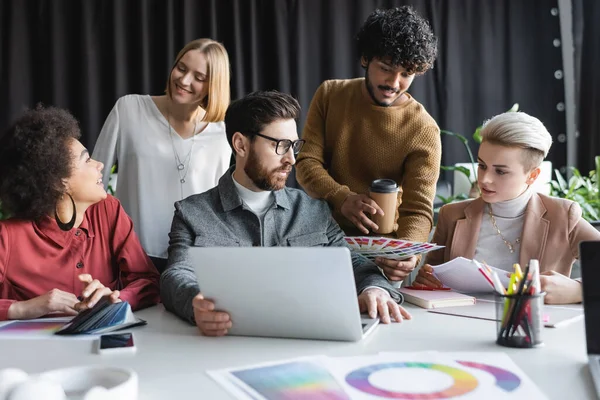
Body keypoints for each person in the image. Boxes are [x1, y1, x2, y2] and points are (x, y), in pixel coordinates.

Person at [161, 91, 411, 336]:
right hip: (223, 347)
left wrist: (375, 289)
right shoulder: (192, 213)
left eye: (294, 146)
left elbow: (352, 264)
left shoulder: (314, 210)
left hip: (306, 347)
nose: (291, 159)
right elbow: (176, 274)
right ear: (240, 144)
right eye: (280, 145)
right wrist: (196, 303)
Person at [295, 6, 441, 283]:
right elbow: (306, 162)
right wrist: (342, 198)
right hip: (320, 239)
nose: (394, 83)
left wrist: (409, 253)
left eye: (406, 74)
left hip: (383, 252)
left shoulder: (423, 128)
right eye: (385, 69)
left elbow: (418, 209)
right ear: (365, 58)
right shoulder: (330, 94)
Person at [414, 112, 600, 304]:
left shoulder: (562, 215)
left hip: (534, 328)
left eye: (500, 171)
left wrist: (579, 290)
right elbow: (426, 280)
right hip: (456, 324)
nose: (485, 179)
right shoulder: (451, 215)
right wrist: (427, 282)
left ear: (532, 176)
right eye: (482, 165)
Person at [0, 106, 160, 321]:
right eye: (87, 160)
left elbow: (148, 280)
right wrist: (24, 308)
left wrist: (117, 298)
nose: (100, 165)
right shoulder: (8, 237)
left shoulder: (108, 211)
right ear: (58, 181)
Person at [92, 38, 232, 272]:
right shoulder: (129, 109)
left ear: (213, 85)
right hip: (131, 257)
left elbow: (221, 205)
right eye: (181, 68)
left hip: (194, 261)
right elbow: (94, 178)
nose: (184, 80)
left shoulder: (222, 132)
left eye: (199, 77)